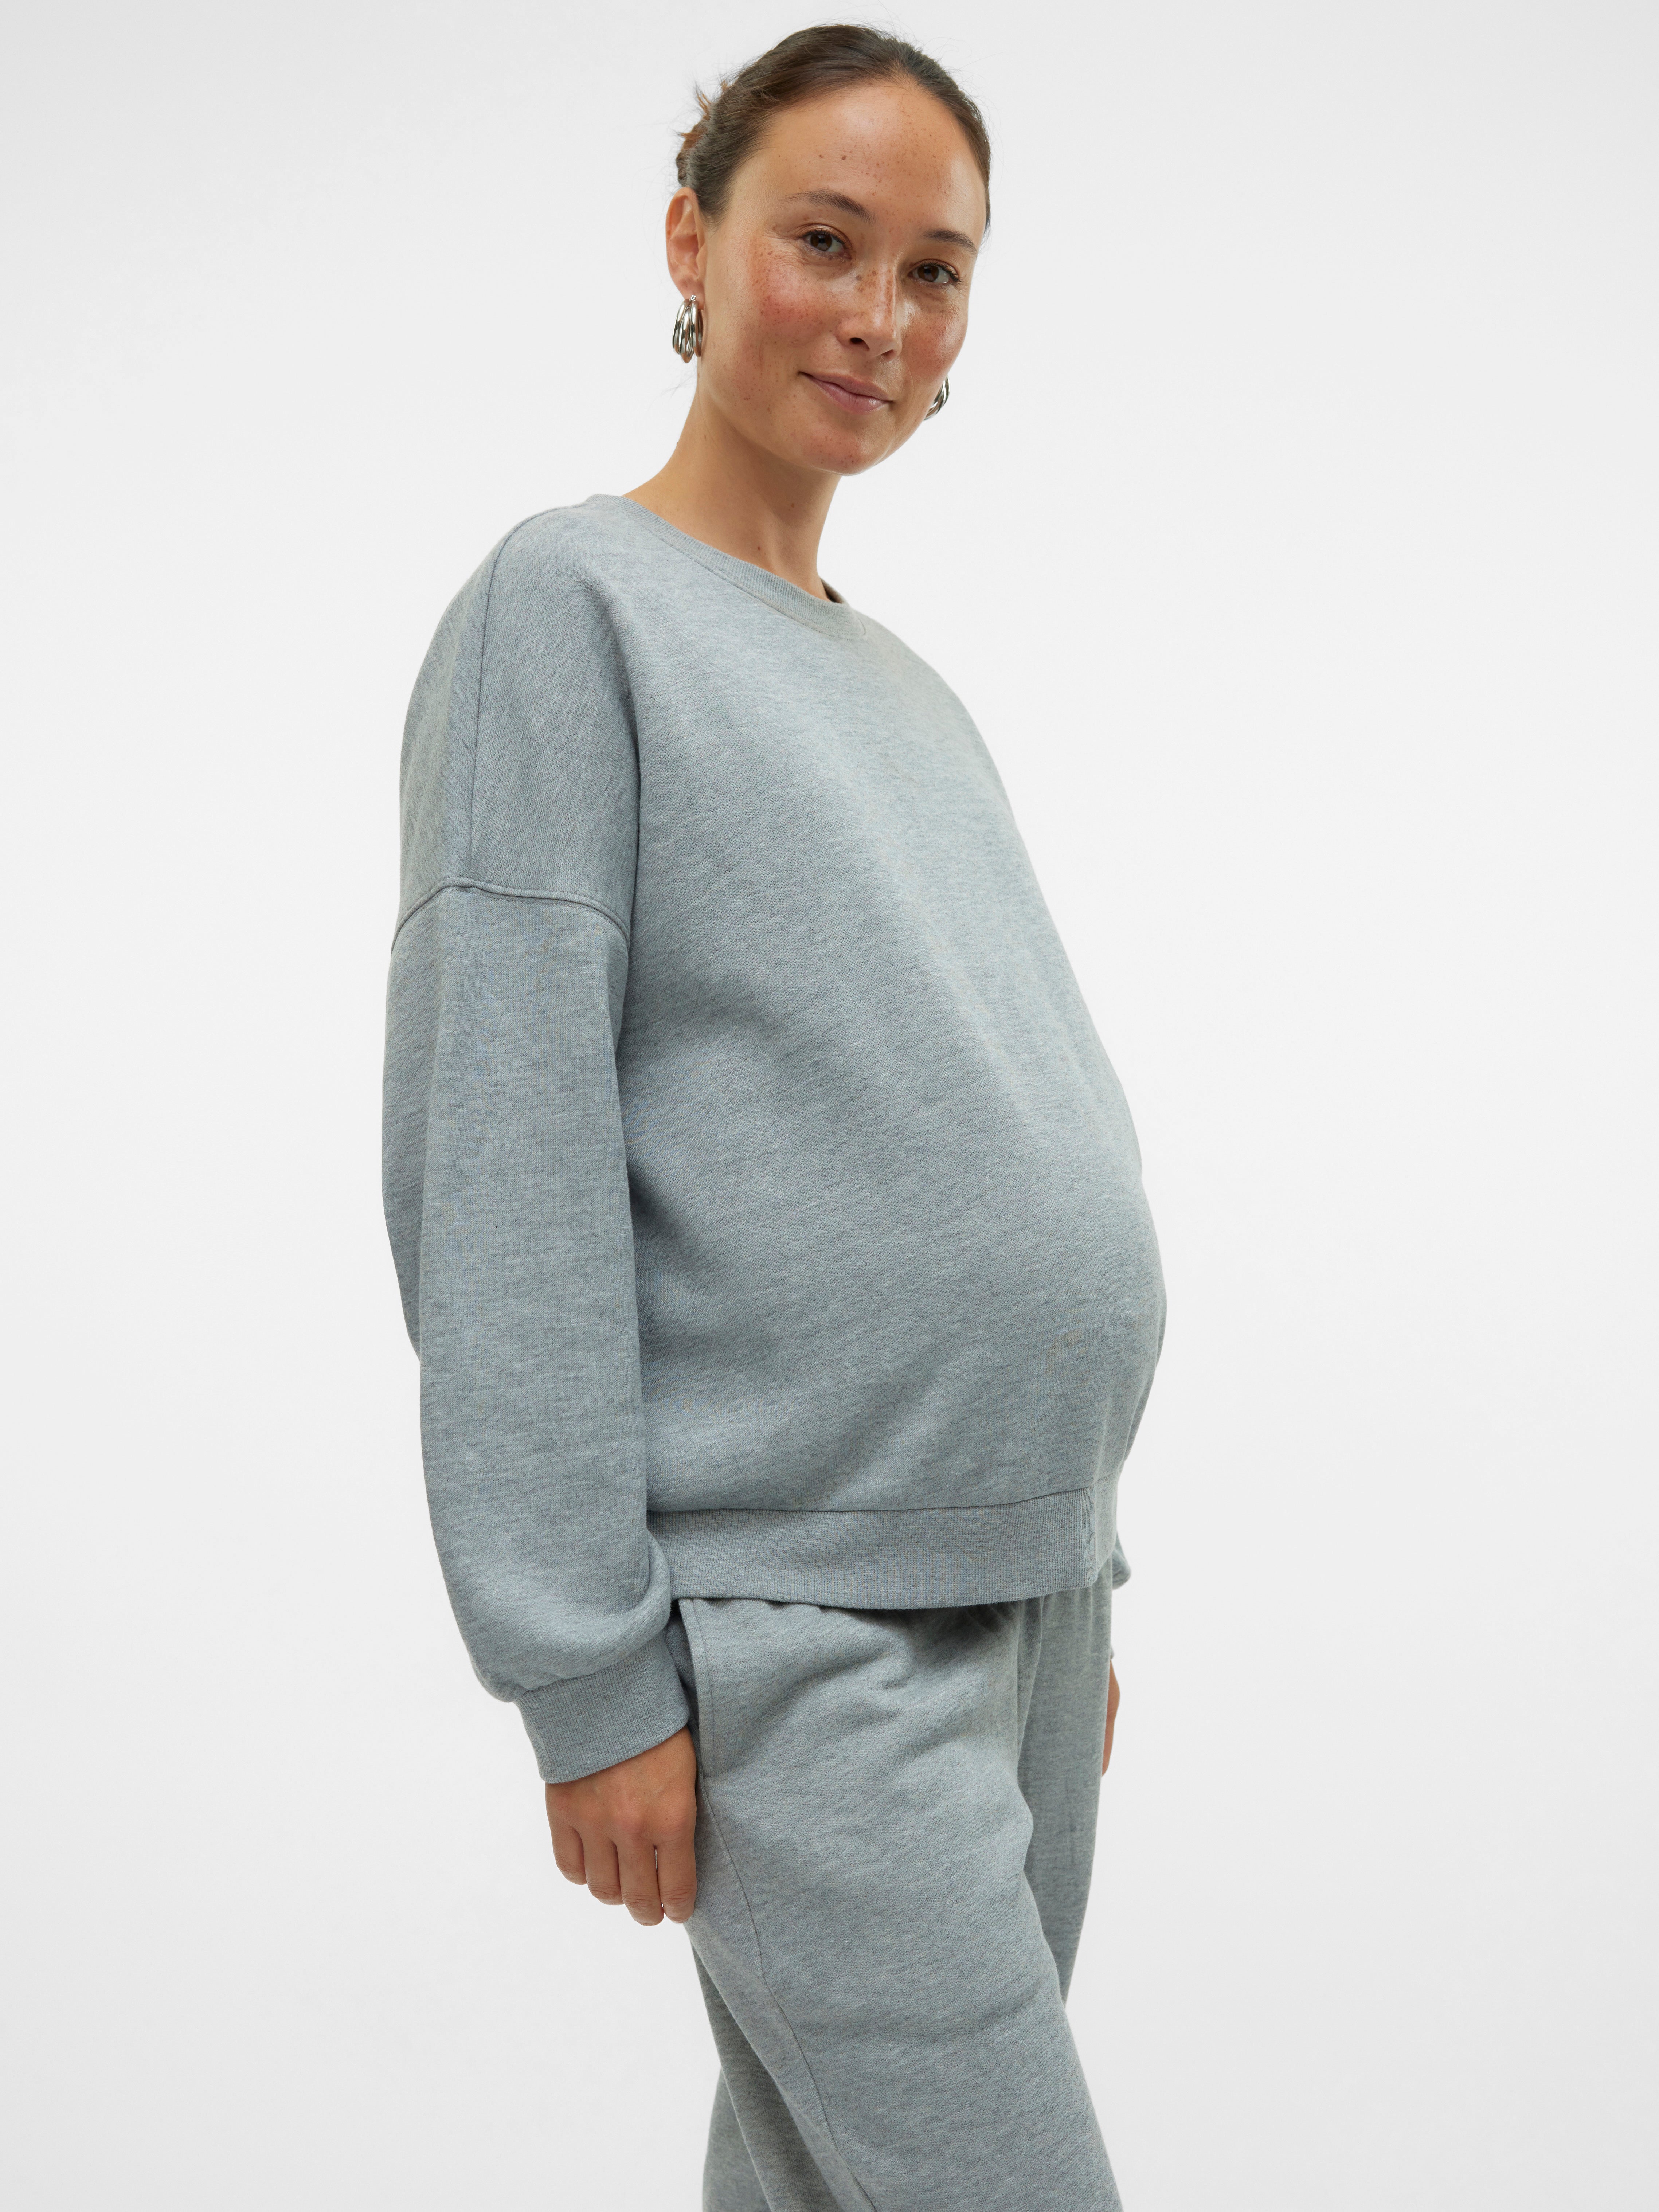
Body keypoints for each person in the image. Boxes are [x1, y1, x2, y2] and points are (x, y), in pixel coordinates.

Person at [381, 23, 1166, 2210]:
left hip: (1021, 1593)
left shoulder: (910, 691)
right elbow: (501, 1163)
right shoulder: (568, 610)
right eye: (826, 241)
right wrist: (587, 1673)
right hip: (801, 1627)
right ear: (691, 242)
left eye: (937, 271)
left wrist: (1059, 1546)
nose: (880, 315)